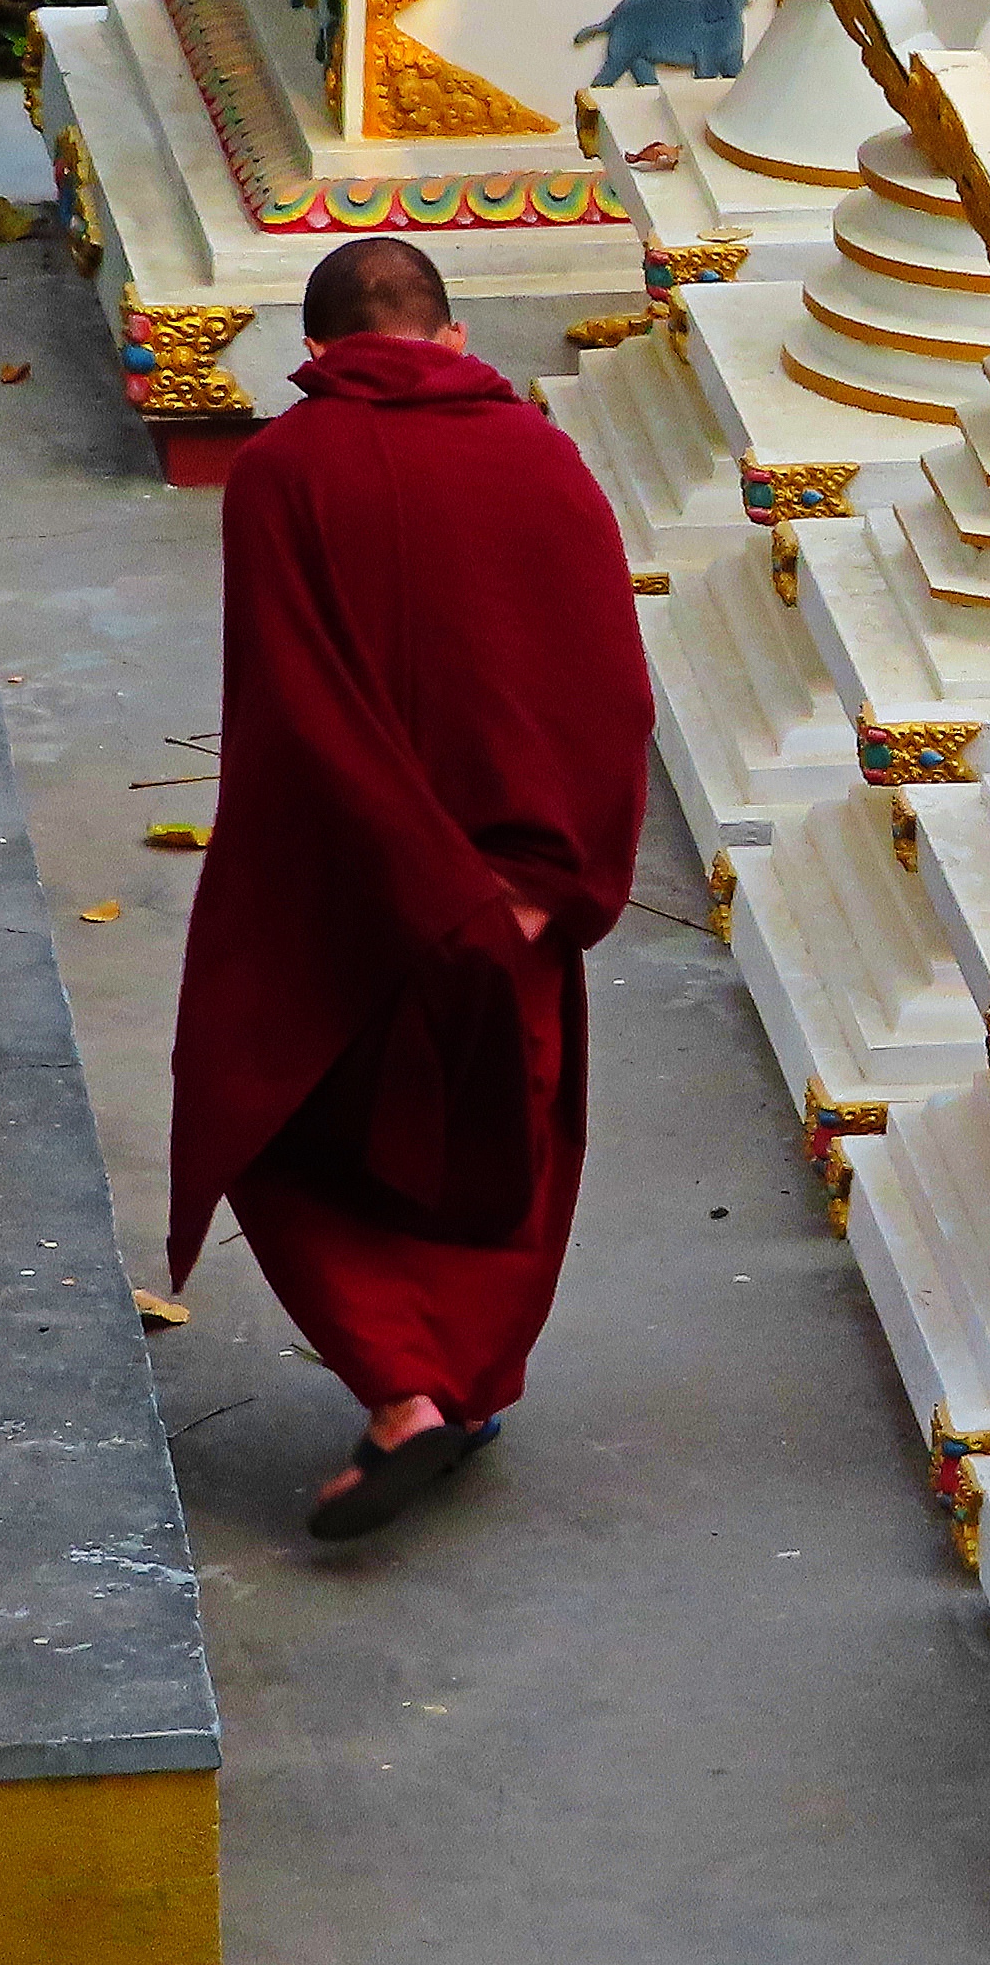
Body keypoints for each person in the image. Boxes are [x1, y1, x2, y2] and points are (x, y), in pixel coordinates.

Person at [167, 235, 649, 1538]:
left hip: (358, 890)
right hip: (522, 889)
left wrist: (344, 888)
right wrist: (564, 879)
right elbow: (611, 688)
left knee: (281, 1126)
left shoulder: (280, 471)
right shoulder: (547, 459)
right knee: (504, 1140)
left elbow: (291, 704)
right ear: (451, 336)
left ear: (318, 357)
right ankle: (465, 1383)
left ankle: (405, 1392)